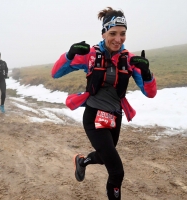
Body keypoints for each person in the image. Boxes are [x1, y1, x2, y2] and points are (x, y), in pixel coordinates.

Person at [51, 7, 157, 200]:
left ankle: (82, 162)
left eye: (123, 34)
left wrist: (148, 74)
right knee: (116, 171)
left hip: (115, 117)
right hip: (93, 117)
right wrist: (69, 54)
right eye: (113, 33)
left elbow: (150, 93)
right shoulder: (91, 55)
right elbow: (55, 73)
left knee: (103, 155)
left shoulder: (130, 59)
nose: (118, 39)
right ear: (104, 33)